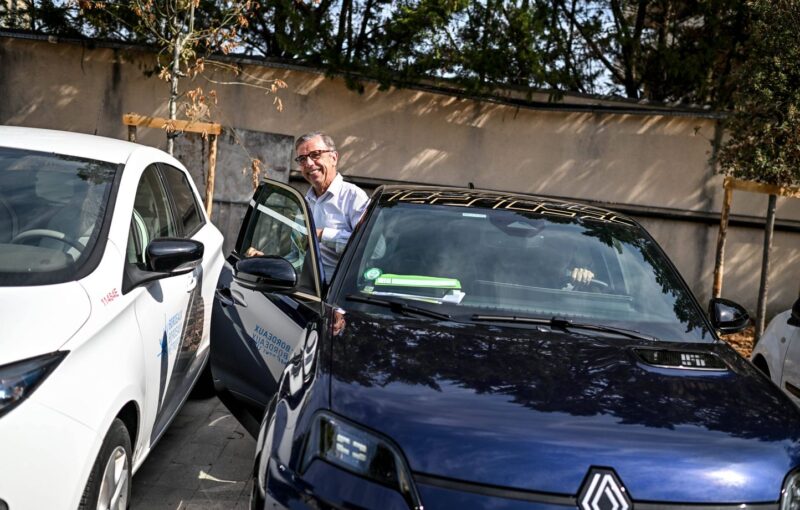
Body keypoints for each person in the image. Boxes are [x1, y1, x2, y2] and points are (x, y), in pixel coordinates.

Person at [247, 132, 369, 283]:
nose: (309, 163)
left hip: (339, 294)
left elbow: (370, 248)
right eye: (302, 159)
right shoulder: (304, 202)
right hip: (307, 291)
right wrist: (269, 263)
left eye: (316, 155)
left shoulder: (354, 197)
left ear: (334, 158)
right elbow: (298, 256)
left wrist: (322, 235)